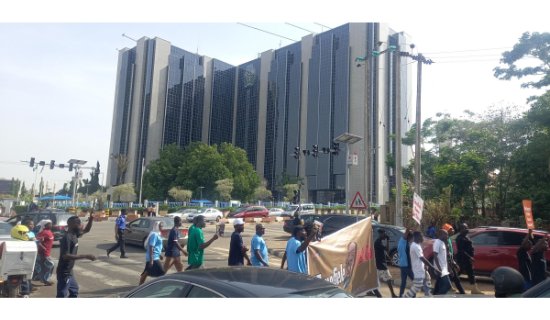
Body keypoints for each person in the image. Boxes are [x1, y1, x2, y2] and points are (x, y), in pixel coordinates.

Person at [56, 211, 96, 298]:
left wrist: (91, 219)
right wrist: (85, 256)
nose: (80, 224)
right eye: (78, 223)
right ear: (71, 224)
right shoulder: (67, 237)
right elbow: (65, 256)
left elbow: (86, 230)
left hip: (69, 271)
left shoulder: (75, 234)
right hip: (64, 272)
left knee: (74, 291)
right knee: (62, 294)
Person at [403, 231, 439, 298]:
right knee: (417, 286)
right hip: (418, 270)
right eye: (421, 236)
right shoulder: (415, 246)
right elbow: (422, 258)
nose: (423, 237)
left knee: (427, 282)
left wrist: (425, 265)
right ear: (416, 237)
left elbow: (421, 257)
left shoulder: (417, 245)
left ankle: (428, 296)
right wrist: (433, 267)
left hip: (422, 269)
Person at [456, 223, 483, 294]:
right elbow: (461, 250)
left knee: (469, 273)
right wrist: (470, 257)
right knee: (460, 273)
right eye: (465, 228)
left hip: (467, 259)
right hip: (463, 259)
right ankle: (448, 285)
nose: (467, 229)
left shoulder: (466, 236)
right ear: (461, 229)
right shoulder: (460, 238)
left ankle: (474, 289)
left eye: (467, 227)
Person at [139, 221, 166, 285]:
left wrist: (159, 255)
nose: (162, 227)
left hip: (155, 256)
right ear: (157, 227)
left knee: (147, 271)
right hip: (153, 257)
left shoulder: (157, 234)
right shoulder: (154, 235)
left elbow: (156, 246)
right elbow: (151, 246)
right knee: (162, 272)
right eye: (161, 226)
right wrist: (151, 260)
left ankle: (140, 284)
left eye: (162, 226)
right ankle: (158, 285)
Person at [373, 229, 398, 297]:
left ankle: (375, 292)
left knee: (376, 280)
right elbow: (387, 249)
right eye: (384, 234)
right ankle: (392, 294)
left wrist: (390, 259)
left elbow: (384, 252)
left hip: (379, 264)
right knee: (388, 279)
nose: (385, 235)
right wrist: (387, 241)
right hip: (381, 265)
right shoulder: (378, 242)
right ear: (380, 234)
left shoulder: (379, 241)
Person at [442, 223, 465, 294]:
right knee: (453, 278)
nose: (453, 231)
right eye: (451, 229)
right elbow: (446, 254)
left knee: (451, 279)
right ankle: (462, 292)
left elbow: (450, 252)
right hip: (447, 263)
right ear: (446, 231)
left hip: (450, 261)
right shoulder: (444, 240)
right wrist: (451, 264)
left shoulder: (448, 239)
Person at [33, 219, 55, 286]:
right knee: (50, 266)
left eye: (51, 223)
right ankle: (45, 280)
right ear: (44, 225)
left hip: (46, 253)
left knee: (41, 266)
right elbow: (37, 240)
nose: (51, 225)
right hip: (44, 253)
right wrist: (43, 247)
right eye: (49, 224)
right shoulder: (44, 232)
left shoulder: (48, 231)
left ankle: (39, 278)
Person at [433, 229, 452, 295]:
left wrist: (449, 268)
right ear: (441, 234)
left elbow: (444, 257)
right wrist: (439, 268)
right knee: (448, 286)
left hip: (444, 268)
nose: (447, 235)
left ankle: (435, 296)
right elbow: (435, 256)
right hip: (440, 269)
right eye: (446, 234)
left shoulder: (443, 243)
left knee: (438, 287)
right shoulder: (437, 242)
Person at [397, 228, 414, 297]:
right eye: (411, 238)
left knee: (403, 282)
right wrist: (410, 225)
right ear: (407, 236)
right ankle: (413, 296)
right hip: (406, 265)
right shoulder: (403, 241)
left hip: (403, 265)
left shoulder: (403, 242)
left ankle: (401, 296)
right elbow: (407, 231)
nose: (411, 240)